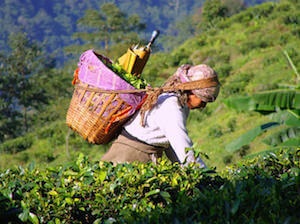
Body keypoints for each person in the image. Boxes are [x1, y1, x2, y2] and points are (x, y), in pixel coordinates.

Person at [101, 64, 220, 167]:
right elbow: (183, 148)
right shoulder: (171, 108)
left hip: (141, 153)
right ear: (191, 92)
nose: (203, 106)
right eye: (203, 100)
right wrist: (207, 177)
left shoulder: (180, 104)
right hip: (130, 155)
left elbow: (172, 146)